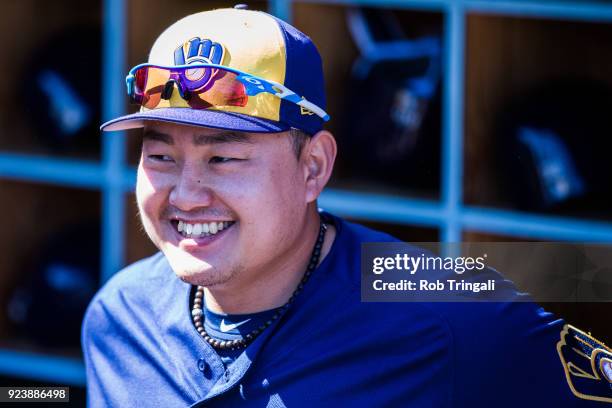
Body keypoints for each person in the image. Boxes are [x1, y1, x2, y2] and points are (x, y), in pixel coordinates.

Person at [82, 5, 611, 407]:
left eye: (223, 157)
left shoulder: (447, 312)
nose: (186, 194)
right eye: (160, 156)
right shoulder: (118, 317)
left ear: (313, 166)